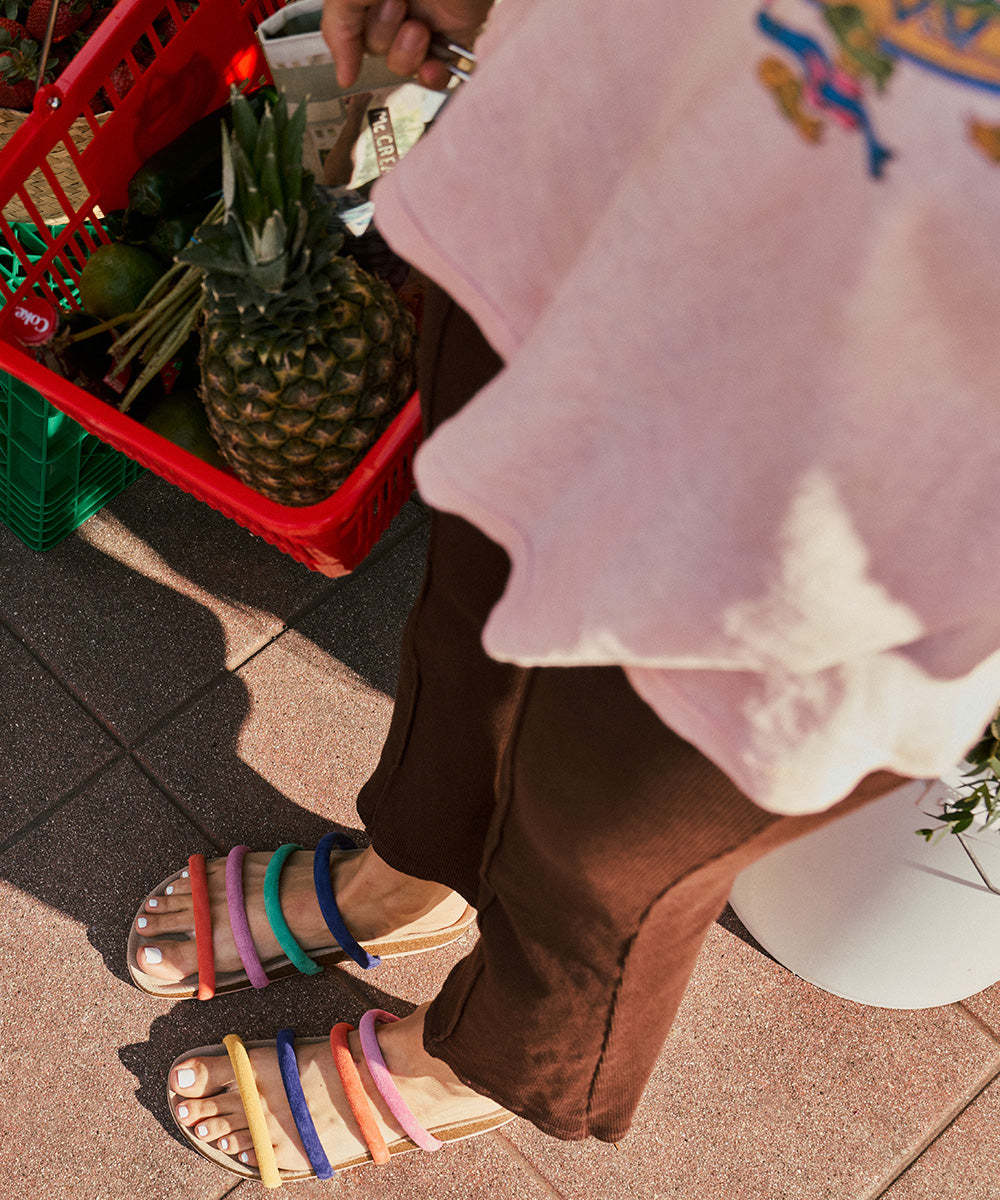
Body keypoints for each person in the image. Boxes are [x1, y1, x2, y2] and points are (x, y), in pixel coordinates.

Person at [129, 0, 1000, 1185]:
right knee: (472, 614)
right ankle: (410, 872)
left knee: (616, 833)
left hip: (878, 460)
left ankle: (475, 1061)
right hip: (609, 149)